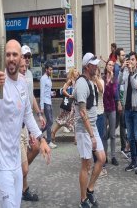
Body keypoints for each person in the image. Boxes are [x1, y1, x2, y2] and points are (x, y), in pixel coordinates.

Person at [0, 39, 51, 208]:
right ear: (4, 58)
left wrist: (42, 139)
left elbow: (27, 115)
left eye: (15, 54)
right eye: (8, 54)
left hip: (15, 161)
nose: (11, 58)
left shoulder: (23, 84)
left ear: (21, 59)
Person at [74, 53, 106, 208]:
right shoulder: (81, 83)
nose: (97, 66)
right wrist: (92, 135)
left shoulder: (91, 81)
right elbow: (82, 112)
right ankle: (83, 199)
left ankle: (90, 189)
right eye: (94, 64)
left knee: (101, 158)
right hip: (84, 130)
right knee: (86, 165)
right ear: (87, 66)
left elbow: (100, 93)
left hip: (92, 127)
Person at [19, 45, 46, 202]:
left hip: (27, 119)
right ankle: (23, 187)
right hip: (19, 124)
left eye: (29, 56)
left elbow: (31, 97)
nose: (28, 59)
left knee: (35, 148)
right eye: (25, 56)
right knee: (31, 151)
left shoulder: (28, 73)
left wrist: (39, 114)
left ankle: (20, 176)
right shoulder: (16, 75)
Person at [121, 52, 137, 174]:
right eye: (129, 60)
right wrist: (122, 69)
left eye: (132, 60)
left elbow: (136, 86)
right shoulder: (126, 72)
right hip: (127, 108)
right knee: (130, 137)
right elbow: (120, 82)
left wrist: (130, 72)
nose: (130, 62)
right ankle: (133, 161)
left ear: (136, 61)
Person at [51, 68, 78, 143]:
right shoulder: (70, 81)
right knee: (63, 120)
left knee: (75, 120)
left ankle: (76, 139)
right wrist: (69, 95)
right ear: (72, 73)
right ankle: (53, 132)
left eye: (77, 71)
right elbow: (63, 90)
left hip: (74, 105)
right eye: (75, 71)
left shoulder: (76, 81)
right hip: (69, 105)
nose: (77, 72)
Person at [102, 60, 119, 166]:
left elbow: (113, 93)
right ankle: (104, 156)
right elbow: (103, 92)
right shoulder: (102, 78)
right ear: (106, 66)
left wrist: (111, 80)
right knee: (104, 134)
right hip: (103, 108)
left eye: (113, 65)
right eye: (109, 65)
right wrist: (108, 82)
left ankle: (113, 156)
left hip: (112, 108)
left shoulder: (115, 79)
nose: (111, 67)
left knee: (112, 134)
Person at [114, 47, 129, 157]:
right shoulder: (116, 68)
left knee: (119, 123)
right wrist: (118, 100)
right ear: (118, 56)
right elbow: (116, 84)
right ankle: (124, 147)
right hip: (119, 99)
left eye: (125, 55)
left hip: (124, 98)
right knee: (122, 124)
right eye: (122, 55)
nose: (124, 57)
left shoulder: (125, 67)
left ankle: (124, 146)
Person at [40, 62, 56, 149]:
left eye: (52, 69)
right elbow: (42, 93)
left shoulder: (49, 78)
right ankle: (49, 141)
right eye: (50, 69)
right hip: (46, 102)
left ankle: (38, 132)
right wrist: (41, 107)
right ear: (46, 69)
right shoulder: (43, 79)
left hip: (49, 101)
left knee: (50, 121)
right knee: (49, 121)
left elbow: (47, 91)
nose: (51, 71)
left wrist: (51, 93)